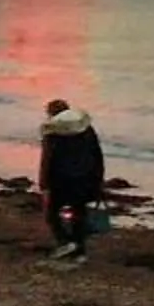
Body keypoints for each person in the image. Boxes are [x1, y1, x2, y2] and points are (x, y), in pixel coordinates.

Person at [38, 98, 105, 263]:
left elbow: (47, 159)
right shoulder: (86, 128)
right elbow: (97, 154)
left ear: (52, 114)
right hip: (86, 177)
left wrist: (43, 182)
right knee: (79, 213)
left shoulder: (52, 132)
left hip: (61, 179)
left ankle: (65, 242)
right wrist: (99, 178)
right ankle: (80, 252)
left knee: (51, 213)